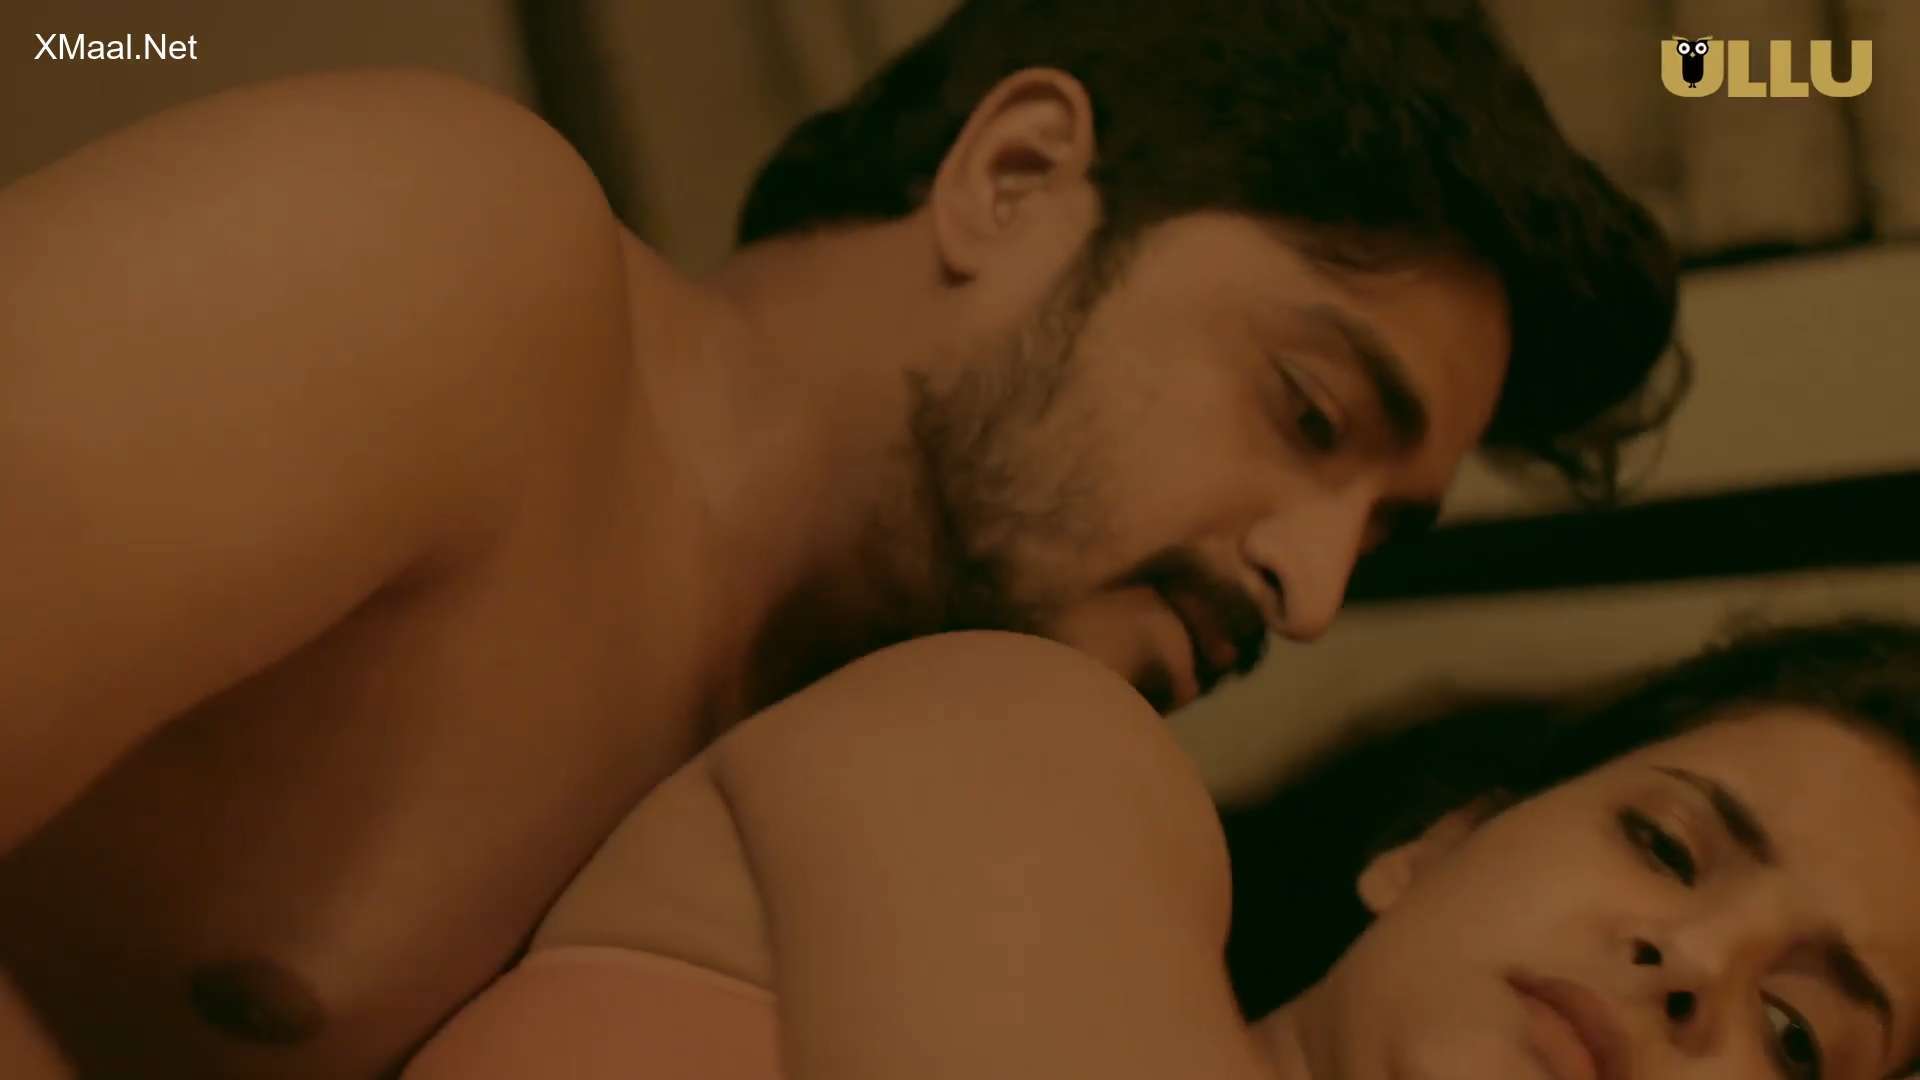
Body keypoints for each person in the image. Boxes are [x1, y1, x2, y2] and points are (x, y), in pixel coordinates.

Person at [0, 0, 1679, 1074]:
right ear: (1014, 177)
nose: (1308, 593)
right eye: (1308, 413)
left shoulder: (851, 811)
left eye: (1379, 542)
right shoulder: (446, 252)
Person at [405, 617, 1920, 1079]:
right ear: (1435, 843)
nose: (1694, 964)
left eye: (1796, 1038)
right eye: (1665, 845)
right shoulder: (1024, 748)